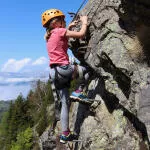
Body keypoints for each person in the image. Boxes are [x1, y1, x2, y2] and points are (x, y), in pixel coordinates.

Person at [41, 8, 90, 144]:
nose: (65, 21)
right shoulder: (60, 31)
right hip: (64, 68)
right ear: (56, 22)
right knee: (86, 71)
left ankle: (65, 134)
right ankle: (79, 91)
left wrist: (68, 27)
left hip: (54, 73)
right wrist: (84, 22)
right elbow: (81, 34)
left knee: (65, 104)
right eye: (62, 20)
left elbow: (62, 38)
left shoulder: (50, 35)